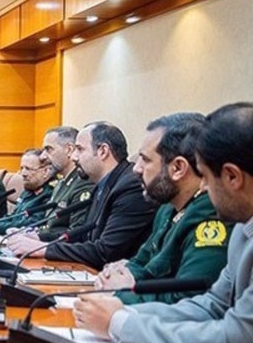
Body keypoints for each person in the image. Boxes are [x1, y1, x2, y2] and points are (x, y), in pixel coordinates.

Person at [75, 102, 253, 343]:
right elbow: (213, 304)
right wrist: (120, 311)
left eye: (204, 176)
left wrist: (121, 324)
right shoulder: (243, 227)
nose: (202, 187)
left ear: (232, 176)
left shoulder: (225, 220)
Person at [95, 112, 231, 304]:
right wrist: (116, 276)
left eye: (146, 159)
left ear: (177, 168)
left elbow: (189, 298)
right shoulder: (167, 207)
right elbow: (142, 261)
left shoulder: (210, 214)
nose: (136, 168)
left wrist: (121, 294)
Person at [7, 122, 158, 269]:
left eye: (79, 149)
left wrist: (43, 248)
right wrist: (40, 238)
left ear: (103, 151)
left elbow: (105, 251)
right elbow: (84, 235)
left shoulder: (131, 187)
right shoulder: (102, 184)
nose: (74, 157)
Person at [36, 126, 94, 240]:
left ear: (69, 150)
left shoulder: (83, 183)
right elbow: (49, 224)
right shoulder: (61, 182)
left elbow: (76, 233)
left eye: (49, 149)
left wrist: (39, 238)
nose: (42, 157)